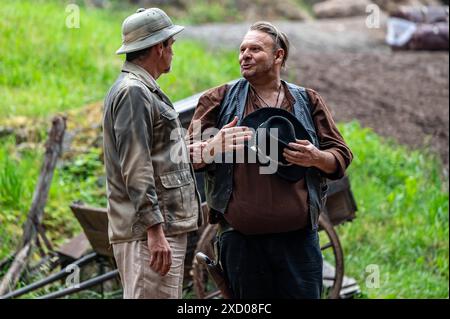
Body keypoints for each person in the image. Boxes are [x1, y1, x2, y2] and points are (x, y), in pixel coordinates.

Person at [187, 21, 353, 299]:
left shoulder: (308, 101)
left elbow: (341, 156)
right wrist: (213, 146)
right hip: (241, 245)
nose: (245, 55)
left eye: (255, 49)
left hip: (299, 244)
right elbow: (185, 156)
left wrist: (316, 157)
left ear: (278, 56)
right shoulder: (219, 99)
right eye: (242, 49)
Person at [103, 8, 202, 299]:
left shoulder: (142, 89)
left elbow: (158, 155)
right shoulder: (134, 92)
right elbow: (136, 165)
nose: (173, 52)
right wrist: (155, 230)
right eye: (171, 45)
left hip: (155, 229)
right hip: (150, 234)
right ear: (159, 47)